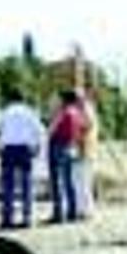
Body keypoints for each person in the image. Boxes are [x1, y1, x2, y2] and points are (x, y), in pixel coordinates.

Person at [0, 89, 46, 229]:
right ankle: (27, 218)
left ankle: (7, 219)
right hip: (25, 149)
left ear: (10, 98)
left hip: (8, 150)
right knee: (27, 185)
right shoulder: (30, 112)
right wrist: (37, 149)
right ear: (23, 99)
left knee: (8, 186)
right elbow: (40, 132)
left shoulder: (3, 112)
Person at [47, 90, 86, 223]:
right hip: (72, 146)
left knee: (57, 181)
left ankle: (59, 214)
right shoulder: (78, 114)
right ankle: (72, 211)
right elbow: (82, 131)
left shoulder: (63, 112)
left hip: (59, 145)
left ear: (64, 100)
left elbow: (51, 129)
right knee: (69, 181)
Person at [75, 89, 99, 218]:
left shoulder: (86, 110)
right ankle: (83, 209)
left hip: (86, 150)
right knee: (82, 181)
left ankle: (87, 211)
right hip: (86, 150)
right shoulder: (86, 109)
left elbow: (86, 127)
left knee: (84, 181)